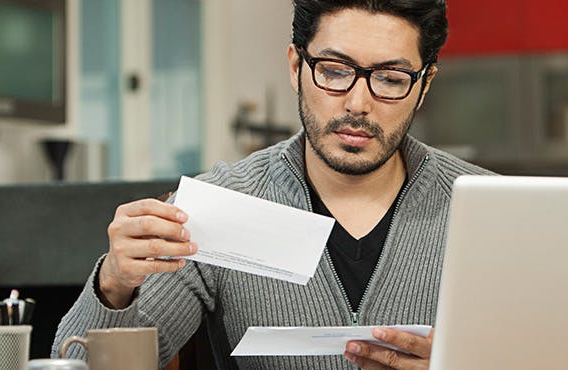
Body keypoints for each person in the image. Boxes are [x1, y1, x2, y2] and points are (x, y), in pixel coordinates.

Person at [53, 0, 493, 369]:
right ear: (296, 66)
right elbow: (77, 364)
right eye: (335, 71)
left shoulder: (491, 212)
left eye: (390, 79)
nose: (359, 104)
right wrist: (113, 285)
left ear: (424, 84)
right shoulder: (222, 204)